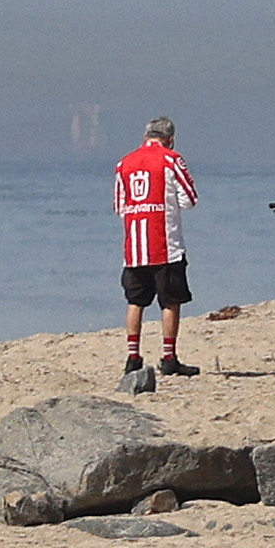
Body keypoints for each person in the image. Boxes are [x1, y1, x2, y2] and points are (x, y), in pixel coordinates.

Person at [115, 119, 198, 378]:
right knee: (171, 300)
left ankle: (132, 356)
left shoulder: (124, 163)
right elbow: (189, 200)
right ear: (170, 138)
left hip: (135, 247)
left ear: (145, 135)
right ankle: (169, 356)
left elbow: (120, 207)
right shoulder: (172, 160)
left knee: (135, 300)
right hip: (166, 245)